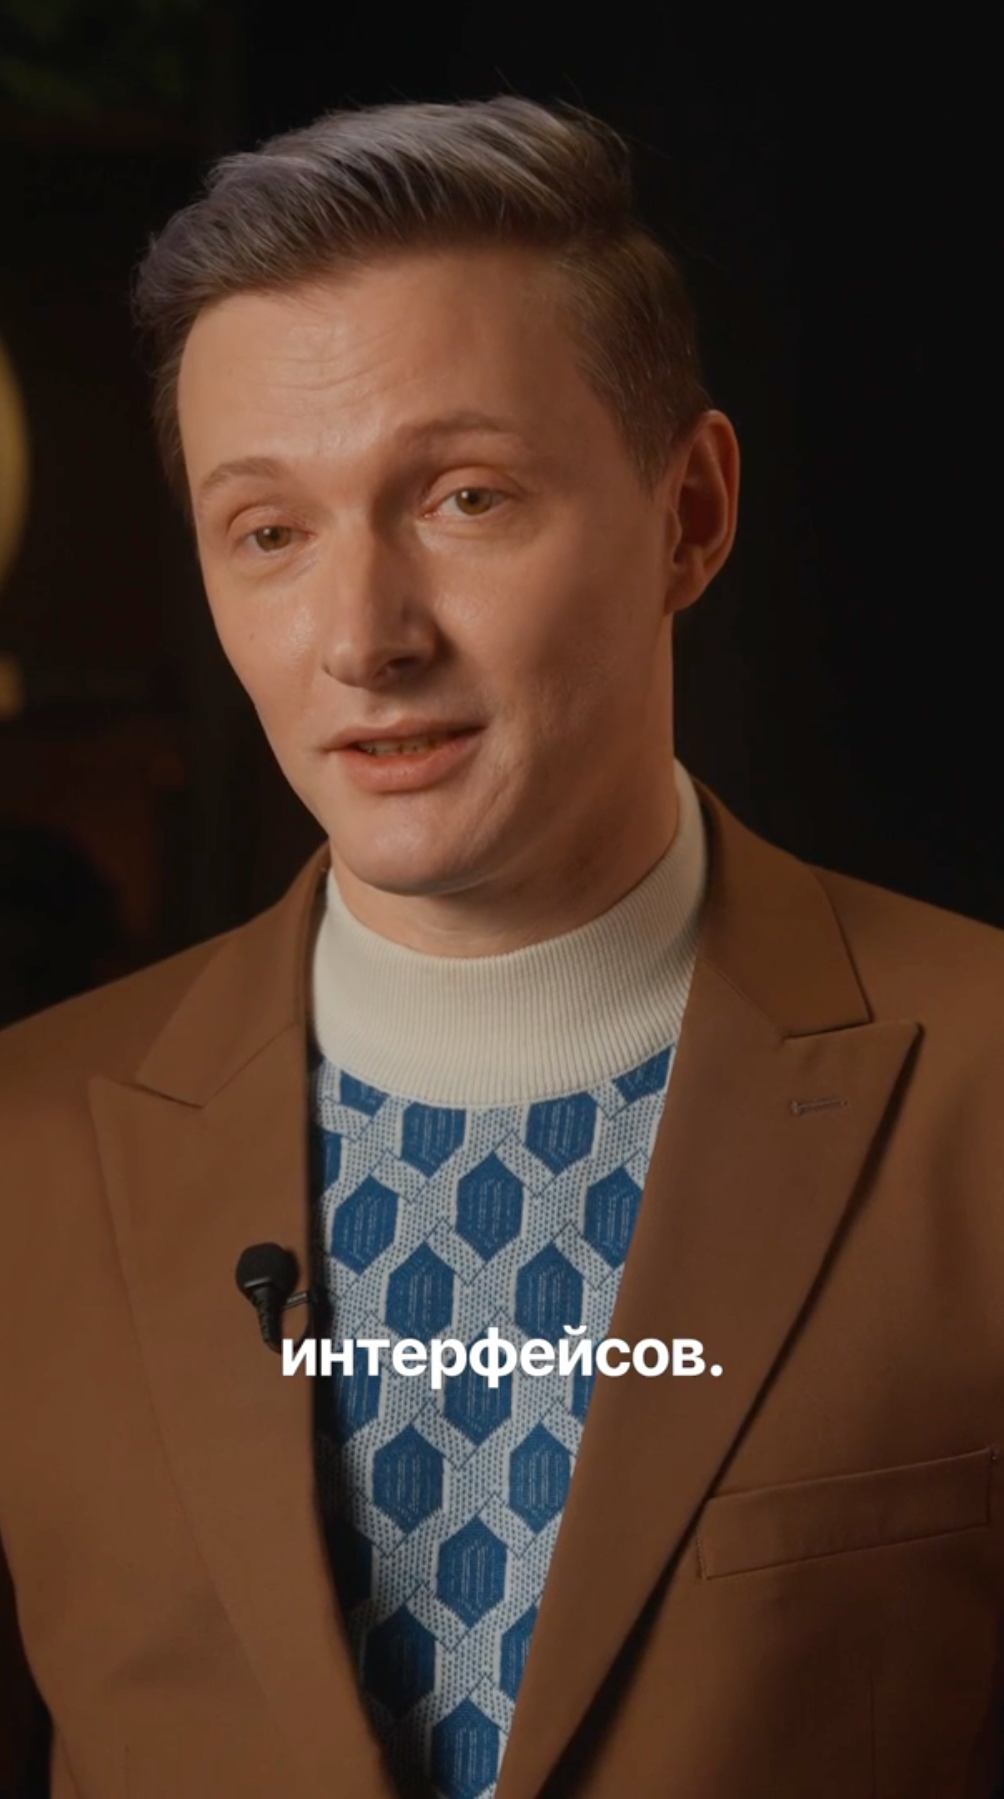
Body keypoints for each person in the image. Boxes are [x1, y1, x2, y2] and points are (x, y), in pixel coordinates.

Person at [0, 96, 1001, 1799]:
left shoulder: (981, 1088)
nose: (363, 637)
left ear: (691, 511)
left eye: (465, 498)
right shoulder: (24, 1146)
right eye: (270, 531)